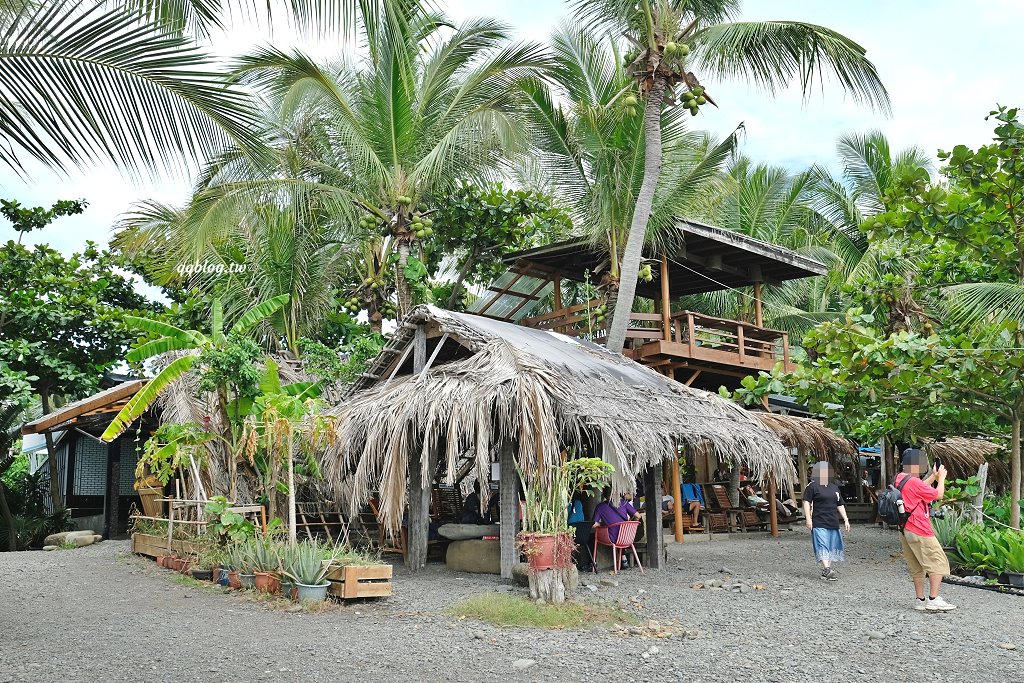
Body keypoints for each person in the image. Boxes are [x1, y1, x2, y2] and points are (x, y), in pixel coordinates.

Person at [896, 448, 956, 612]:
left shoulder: (900, 478)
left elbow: (919, 488)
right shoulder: (914, 482)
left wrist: (933, 477)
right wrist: (941, 478)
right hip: (919, 528)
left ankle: (920, 600)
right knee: (937, 562)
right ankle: (934, 599)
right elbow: (938, 495)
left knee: (916, 565)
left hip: (904, 529)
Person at [802, 462, 850, 581]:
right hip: (819, 521)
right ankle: (827, 569)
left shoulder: (834, 488)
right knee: (822, 544)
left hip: (833, 522)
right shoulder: (812, 486)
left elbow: (840, 504)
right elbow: (806, 502)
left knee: (831, 546)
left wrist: (846, 519)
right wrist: (808, 519)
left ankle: (826, 571)